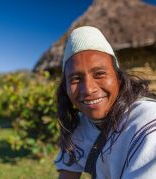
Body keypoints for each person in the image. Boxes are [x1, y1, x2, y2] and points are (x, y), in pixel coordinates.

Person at [55, 26, 156, 179]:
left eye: (99, 74)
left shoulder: (147, 122)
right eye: (75, 79)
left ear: (118, 78)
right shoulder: (81, 126)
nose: (88, 89)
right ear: (65, 88)